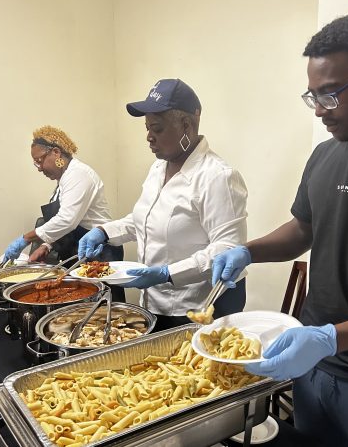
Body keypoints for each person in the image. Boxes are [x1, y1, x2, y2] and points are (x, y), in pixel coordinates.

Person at [212, 13, 348, 447]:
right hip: (311, 365)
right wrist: (248, 251)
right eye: (312, 96)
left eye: (330, 94)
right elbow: (302, 229)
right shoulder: (326, 154)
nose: (318, 110)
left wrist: (332, 338)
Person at [78, 79, 248, 331]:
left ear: (186, 125)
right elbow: (145, 219)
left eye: (157, 129)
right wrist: (104, 231)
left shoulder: (218, 177)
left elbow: (227, 249)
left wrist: (168, 273)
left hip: (197, 309)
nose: (149, 137)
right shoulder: (159, 167)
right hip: (154, 303)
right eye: (147, 128)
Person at [3, 125, 125, 301]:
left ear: (56, 152)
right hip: (79, 248)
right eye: (36, 163)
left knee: (104, 305)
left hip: (99, 251)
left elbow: (67, 220)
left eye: (39, 160)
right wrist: (47, 246)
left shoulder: (79, 175)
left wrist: (26, 238)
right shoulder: (65, 179)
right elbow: (68, 221)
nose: (39, 167)